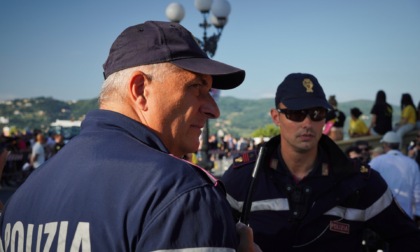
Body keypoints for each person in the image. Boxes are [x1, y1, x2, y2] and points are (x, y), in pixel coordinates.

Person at [0, 21, 260, 251]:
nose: (213, 109)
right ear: (139, 89)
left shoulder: (22, 198)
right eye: (195, 87)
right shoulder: (180, 191)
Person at [221, 73, 420, 252]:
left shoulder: (358, 181)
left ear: (324, 118)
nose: (307, 123)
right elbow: (211, 237)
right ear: (276, 117)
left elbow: (407, 238)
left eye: (316, 114)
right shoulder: (246, 176)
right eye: (296, 114)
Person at [369, 131, 420, 226]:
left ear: (384, 145)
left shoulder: (376, 162)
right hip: (406, 217)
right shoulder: (412, 163)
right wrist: (417, 214)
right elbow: (418, 192)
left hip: (382, 217)